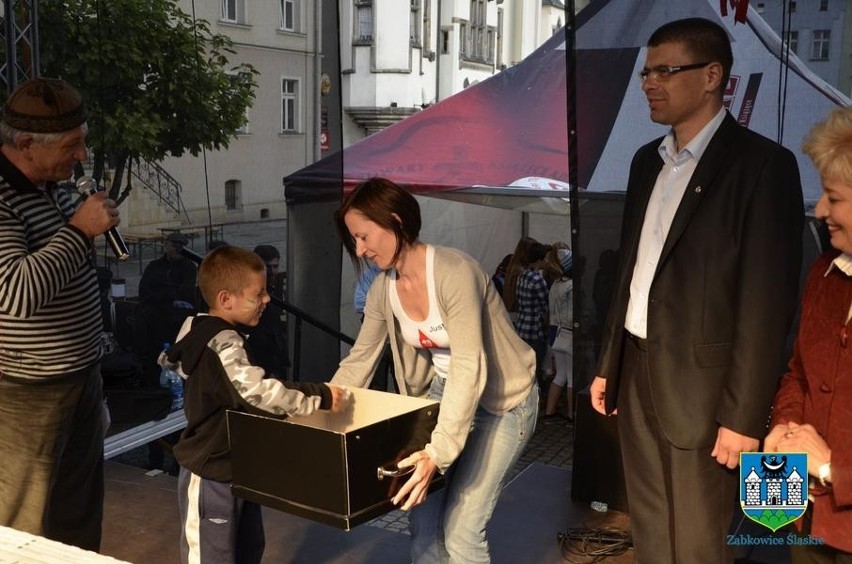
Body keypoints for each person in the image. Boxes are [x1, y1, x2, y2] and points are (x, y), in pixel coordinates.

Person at [589, 18, 804, 563]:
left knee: (704, 542)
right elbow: (633, 276)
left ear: (712, 76)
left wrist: (742, 415)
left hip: (708, 394)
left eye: (666, 70)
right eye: (646, 71)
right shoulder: (646, 162)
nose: (649, 83)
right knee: (652, 528)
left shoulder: (762, 166)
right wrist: (608, 361)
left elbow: (767, 307)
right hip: (636, 373)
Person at [330, 177, 538, 563]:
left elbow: (468, 364)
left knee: (461, 531)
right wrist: (321, 407)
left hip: (503, 399)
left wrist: (438, 453)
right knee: (422, 522)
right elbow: (360, 359)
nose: (360, 249)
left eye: (363, 236)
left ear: (394, 221)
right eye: (354, 240)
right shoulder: (382, 289)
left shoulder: (453, 271)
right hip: (445, 391)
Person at [160, 245, 350, 563]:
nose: (267, 300)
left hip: (239, 467)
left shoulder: (196, 329)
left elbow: (171, 361)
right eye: (258, 293)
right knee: (211, 555)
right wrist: (321, 396)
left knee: (247, 548)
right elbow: (259, 394)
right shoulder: (224, 343)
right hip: (210, 472)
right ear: (226, 299)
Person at [0, 78, 120, 551]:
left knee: (78, 511)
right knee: (23, 524)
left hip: (79, 378)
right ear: (26, 144)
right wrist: (78, 231)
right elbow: (15, 293)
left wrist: (82, 225)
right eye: (73, 145)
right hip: (28, 392)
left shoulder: (53, 188)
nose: (82, 155)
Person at [763, 107, 852, 560]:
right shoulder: (822, 274)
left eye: (833, 198)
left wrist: (837, 468)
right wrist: (785, 425)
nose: (820, 211)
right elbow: (799, 371)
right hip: (808, 516)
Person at [136, 231, 198, 387]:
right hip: (155, 316)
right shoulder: (154, 266)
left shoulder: (189, 267)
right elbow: (145, 291)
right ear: (166, 246)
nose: (176, 249)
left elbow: (186, 292)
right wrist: (168, 294)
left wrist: (165, 294)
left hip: (177, 318)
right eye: (173, 245)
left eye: (180, 246)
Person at [242, 244, 290, 380]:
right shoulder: (251, 294)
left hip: (273, 359)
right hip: (260, 359)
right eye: (267, 267)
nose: (272, 272)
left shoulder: (270, 291)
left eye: (275, 266)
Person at [514, 242, 551, 392]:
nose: (547, 262)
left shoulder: (522, 275)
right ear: (539, 260)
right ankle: (533, 396)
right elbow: (545, 308)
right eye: (546, 259)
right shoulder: (538, 279)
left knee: (523, 365)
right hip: (536, 329)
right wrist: (549, 328)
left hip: (522, 326)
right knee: (535, 366)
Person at [543, 246, 573, 423]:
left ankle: (549, 413)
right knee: (571, 376)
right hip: (568, 334)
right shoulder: (571, 286)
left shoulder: (556, 284)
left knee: (560, 375)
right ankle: (571, 415)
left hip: (556, 334)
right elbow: (570, 315)